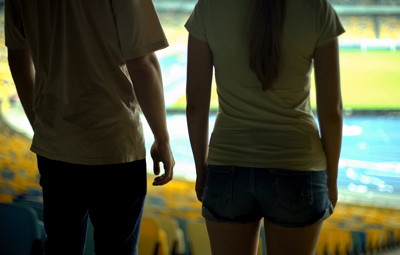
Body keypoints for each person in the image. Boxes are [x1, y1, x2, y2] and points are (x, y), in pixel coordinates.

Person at [5, 0, 175, 254]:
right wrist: (162, 136)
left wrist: (39, 124)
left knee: (62, 247)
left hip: (56, 145)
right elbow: (143, 62)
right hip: (116, 145)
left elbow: (18, 56)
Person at [185, 0, 344, 254]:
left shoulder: (208, 7)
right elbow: (331, 112)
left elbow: (195, 105)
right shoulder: (317, 8)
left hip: (228, 164)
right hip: (299, 166)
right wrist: (331, 180)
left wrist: (201, 168)